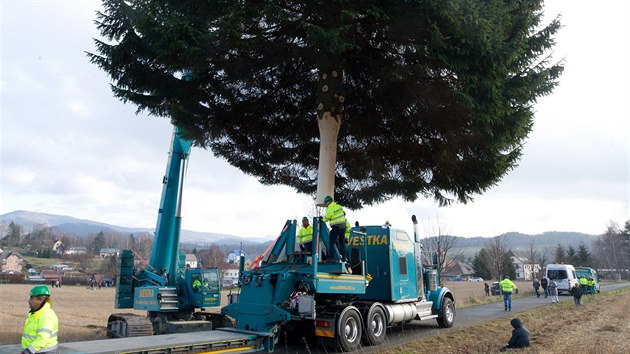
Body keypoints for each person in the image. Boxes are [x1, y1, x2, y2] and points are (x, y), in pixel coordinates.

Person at [22, 285, 59, 354]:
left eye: (31, 298)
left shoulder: (47, 316)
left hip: (44, 352)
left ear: (40, 300)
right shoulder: (34, 313)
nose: (28, 301)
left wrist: (27, 351)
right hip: (34, 351)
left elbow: (42, 338)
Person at [322, 195, 348, 262]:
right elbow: (344, 213)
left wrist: (321, 220)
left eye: (326, 203)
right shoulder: (339, 206)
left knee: (331, 242)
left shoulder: (330, 208)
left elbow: (326, 218)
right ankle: (344, 257)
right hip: (343, 226)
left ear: (328, 202)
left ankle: (331, 257)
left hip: (336, 227)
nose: (326, 204)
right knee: (342, 243)